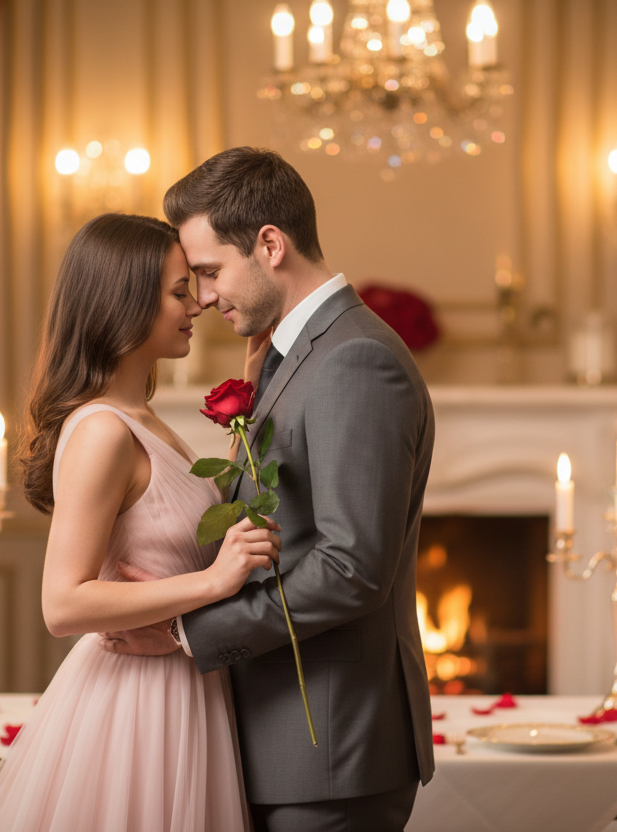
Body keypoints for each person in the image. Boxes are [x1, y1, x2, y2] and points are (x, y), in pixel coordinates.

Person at [104, 147, 436, 831]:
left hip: (329, 751)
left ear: (270, 245)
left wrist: (187, 632)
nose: (202, 297)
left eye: (210, 271)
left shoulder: (355, 359)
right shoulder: (298, 353)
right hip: (288, 743)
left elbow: (352, 569)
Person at [0, 213, 282, 832]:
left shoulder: (145, 419)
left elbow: (173, 527)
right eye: (178, 291)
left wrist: (255, 382)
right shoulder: (103, 430)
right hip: (137, 705)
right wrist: (215, 583)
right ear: (125, 301)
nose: (198, 303)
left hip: (182, 686)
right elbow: (63, 604)